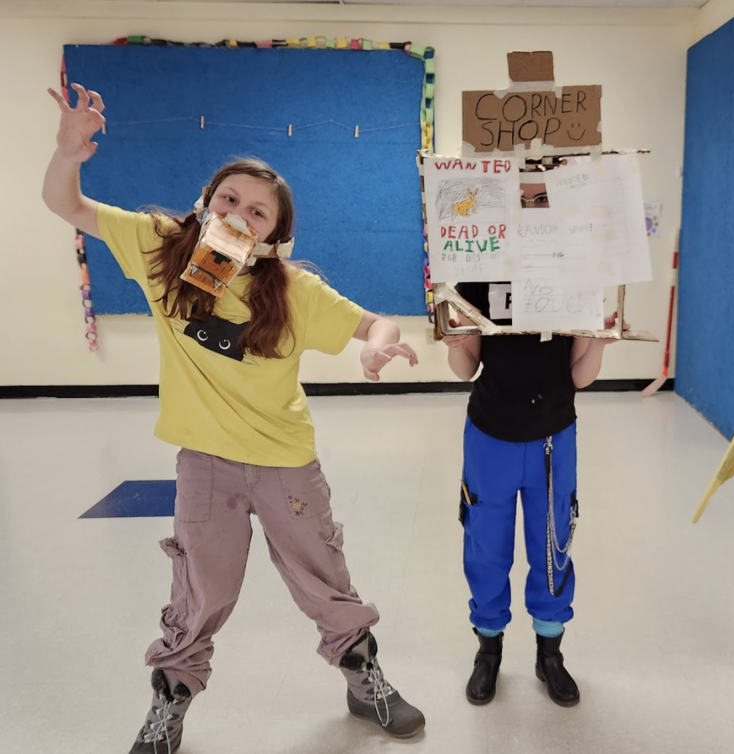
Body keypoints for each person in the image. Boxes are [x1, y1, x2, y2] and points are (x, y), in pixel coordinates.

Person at [43, 84, 425, 753]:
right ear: (206, 199)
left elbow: (373, 319)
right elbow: (64, 203)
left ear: (278, 232)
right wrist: (67, 152)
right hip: (205, 463)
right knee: (200, 590)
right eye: (230, 199)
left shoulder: (292, 291)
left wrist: (378, 344)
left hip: (285, 463)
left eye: (258, 211)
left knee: (324, 579)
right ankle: (169, 707)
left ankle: (366, 682)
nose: (241, 215)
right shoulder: (162, 249)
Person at [442, 179, 621, 707]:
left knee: (552, 544)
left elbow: (581, 377)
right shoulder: (475, 273)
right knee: (486, 547)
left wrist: (598, 339)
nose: (533, 209)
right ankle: (489, 649)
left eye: (544, 200)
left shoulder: (579, 273)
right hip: (490, 436)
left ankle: (550, 653)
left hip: (552, 438)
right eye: (524, 199)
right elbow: (464, 367)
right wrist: (457, 338)